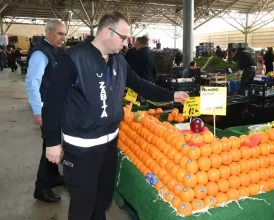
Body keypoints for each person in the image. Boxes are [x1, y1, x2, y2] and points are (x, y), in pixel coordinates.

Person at [42, 11, 189, 220]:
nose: (126, 41)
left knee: (102, 199)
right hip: (82, 148)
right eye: (122, 37)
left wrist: (171, 95)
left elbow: (140, 84)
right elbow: (52, 102)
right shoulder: (74, 59)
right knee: (83, 204)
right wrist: (52, 141)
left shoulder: (119, 62)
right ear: (106, 32)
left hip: (110, 144)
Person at [25, 20, 67, 203]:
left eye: (65, 34)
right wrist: (38, 111)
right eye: (60, 34)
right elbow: (32, 83)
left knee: (51, 143)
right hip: (46, 108)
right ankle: (41, 188)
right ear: (48, 33)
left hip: (55, 107)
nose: (63, 38)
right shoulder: (41, 53)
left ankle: (53, 176)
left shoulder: (54, 51)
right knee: (50, 146)